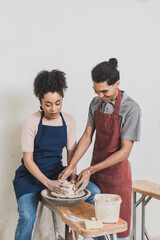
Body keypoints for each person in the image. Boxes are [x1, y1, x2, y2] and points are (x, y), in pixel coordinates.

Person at [59, 58, 141, 240]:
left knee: (119, 231)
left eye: (105, 91)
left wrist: (89, 169)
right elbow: (87, 136)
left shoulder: (131, 109)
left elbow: (125, 151)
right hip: (96, 175)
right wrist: (72, 165)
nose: (100, 96)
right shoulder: (95, 103)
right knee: (95, 226)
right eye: (96, 91)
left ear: (117, 84)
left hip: (117, 177)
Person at [13, 70, 100, 240]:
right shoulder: (31, 121)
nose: (54, 108)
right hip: (29, 178)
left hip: (57, 174)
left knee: (95, 192)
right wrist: (48, 184)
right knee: (27, 218)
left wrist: (73, 182)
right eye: (48, 104)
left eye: (58, 103)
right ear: (40, 102)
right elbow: (28, 161)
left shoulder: (68, 120)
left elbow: (71, 158)